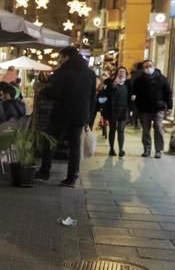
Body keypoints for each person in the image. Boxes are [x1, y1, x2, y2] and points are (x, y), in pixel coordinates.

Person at [35, 46, 96, 187]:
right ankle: (71, 177)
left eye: (61, 57)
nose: (60, 60)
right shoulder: (90, 73)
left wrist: (43, 91)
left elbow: (54, 91)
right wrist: (89, 117)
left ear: (66, 56)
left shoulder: (64, 71)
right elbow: (93, 97)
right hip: (80, 115)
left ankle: (45, 171)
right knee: (75, 147)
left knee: (50, 141)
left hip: (62, 113)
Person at [131, 58, 172, 158]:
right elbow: (134, 93)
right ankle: (147, 149)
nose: (148, 68)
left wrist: (170, 106)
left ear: (154, 66)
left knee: (158, 127)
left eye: (150, 66)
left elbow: (168, 93)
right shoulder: (139, 80)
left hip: (159, 108)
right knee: (145, 130)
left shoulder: (162, 79)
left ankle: (158, 150)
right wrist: (137, 105)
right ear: (143, 68)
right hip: (144, 109)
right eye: (146, 67)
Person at [100, 66, 132, 157]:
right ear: (117, 73)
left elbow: (132, 95)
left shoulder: (128, 84)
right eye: (120, 72)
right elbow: (104, 96)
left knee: (121, 129)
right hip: (112, 110)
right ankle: (111, 149)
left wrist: (132, 109)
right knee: (112, 129)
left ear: (126, 74)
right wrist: (112, 85)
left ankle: (121, 150)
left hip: (124, 109)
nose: (122, 74)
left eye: (123, 72)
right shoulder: (110, 84)